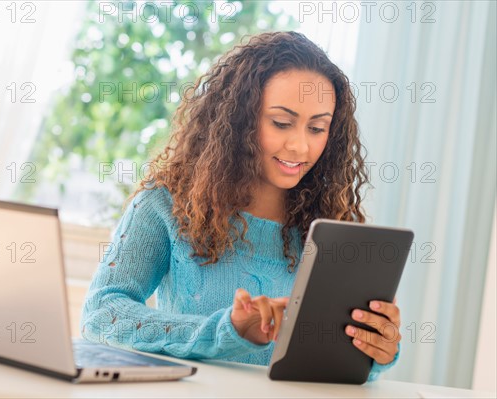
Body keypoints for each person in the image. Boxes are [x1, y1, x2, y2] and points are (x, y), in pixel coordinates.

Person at [80, 31, 401, 382]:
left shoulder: (334, 224)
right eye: (281, 123)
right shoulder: (166, 205)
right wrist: (225, 331)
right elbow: (100, 314)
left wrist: (376, 353)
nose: (299, 146)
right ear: (239, 120)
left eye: (317, 128)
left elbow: (338, 364)